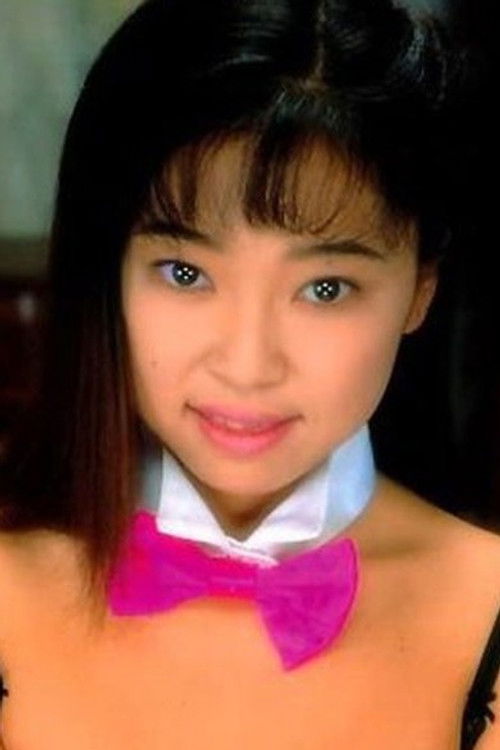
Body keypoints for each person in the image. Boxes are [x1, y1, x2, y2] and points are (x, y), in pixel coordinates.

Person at [0, 1, 498, 747]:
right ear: (108, 272)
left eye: (325, 288)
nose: (247, 365)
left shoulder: (489, 613)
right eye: (185, 273)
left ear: (420, 289)